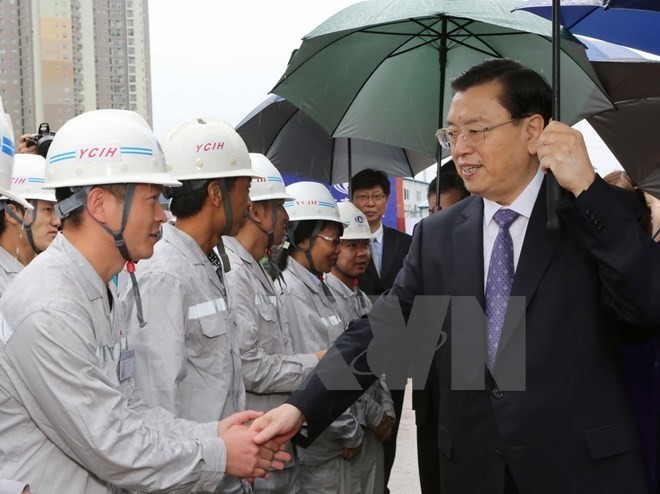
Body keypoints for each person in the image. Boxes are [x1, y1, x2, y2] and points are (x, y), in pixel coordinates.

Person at [249, 58, 660, 494]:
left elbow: (645, 304)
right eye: (452, 133)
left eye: (476, 131)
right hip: (473, 471)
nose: (460, 148)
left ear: (533, 130)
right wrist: (302, 408)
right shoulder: (440, 235)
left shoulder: (591, 214)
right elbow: (384, 333)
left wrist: (587, 188)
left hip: (580, 473)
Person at [0, 109, 288, 493]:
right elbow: (111, 443)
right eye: (151, 199)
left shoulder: (99, 289)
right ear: (100, 205)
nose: (162, 216)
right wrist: (218, 454)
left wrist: (210, 433)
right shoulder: (50, 307)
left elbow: (128, 410)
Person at [118, 117, 263, 494]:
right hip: (193, 480)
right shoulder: (165, 274)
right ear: (216, 193)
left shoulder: (207, 263)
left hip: (223, 475)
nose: (249, 204)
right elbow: (154, 404)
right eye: (244, 190)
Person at [223, 154, 325, 493]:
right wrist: (315, 364)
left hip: (277, 441)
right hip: (257, 441)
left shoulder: (259, 269)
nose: (286, 217)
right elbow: (248, 365)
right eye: (279, 207)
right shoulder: (235, 274)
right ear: (255, 211)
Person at [278, 181, 364, 494]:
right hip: (324, 450)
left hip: (337, 443)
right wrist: (349, 431)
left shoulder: (320, 287)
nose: (338, 250)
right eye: (333, 240)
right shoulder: (292, 294)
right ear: (303, 238)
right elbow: (318, 376)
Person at [325, 201, 395, 494]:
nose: (362, 253)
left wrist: (388, 409)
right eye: (352, 245)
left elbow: (378, 365)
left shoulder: (362, 299)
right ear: (335, 248)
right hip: (348, 433)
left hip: (372, 434)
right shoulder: (325, 299)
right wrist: (371, 417)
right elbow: (334, 372)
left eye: (365, 245)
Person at [350, 168, 411, 491]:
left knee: (391, 424)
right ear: (352, 201)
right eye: (362, 197)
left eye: (376, 196)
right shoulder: (345, 248)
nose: (369, 203)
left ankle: (383, 485)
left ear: (386, 200)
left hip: (397, 354)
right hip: (360, 347)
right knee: (358, 421)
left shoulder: (407, 243)